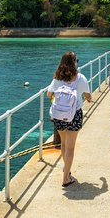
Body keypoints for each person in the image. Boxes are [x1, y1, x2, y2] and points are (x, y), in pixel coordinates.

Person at [47, 51, 92, 187]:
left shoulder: (57, 78)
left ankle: (66, 169)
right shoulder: (80, 78)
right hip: (74, 115)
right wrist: (88, 99)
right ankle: (66, 178)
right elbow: (88, 96)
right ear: (74, 63)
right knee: (71, 147)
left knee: (64, 144)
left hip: (59, 116)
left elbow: (49, 94)